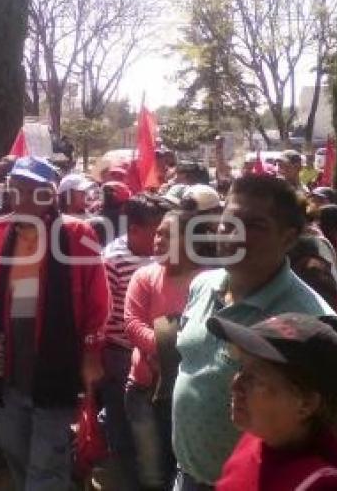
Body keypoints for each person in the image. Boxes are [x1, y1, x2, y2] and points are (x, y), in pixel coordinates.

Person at [172, 174, 333, 490]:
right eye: (229, 222)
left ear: (288, 238)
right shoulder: (203, 285)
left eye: (255, 226)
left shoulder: (311, 320)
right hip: (187, 476)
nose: (235, 235)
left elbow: (330, 424)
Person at [0, 156, 110, 491]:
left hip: (57, 367)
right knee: (13, 446)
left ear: (48, 195)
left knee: (46, 462)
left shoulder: (77, 233)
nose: (18, 197)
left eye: (28, 190)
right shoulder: (3, 234)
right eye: (15, 189)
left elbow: (98, 299)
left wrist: (92, 353)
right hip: (11, 365)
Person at [210, 313, 337, 490]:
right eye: (241, 367)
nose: (235, 384)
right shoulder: (258, 439)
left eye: (257, 380)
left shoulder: (323, 484)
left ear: (306, 404)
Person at [124, 210, 205, 490]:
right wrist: (174, 346)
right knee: (152, 472)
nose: (158, 239)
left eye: (167, 234)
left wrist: (175, 346)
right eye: (158, 232)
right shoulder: (144, 276)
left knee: (187, 468)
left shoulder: (208, 282)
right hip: (145, 387)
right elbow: (132, 324)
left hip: (192, 392)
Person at [100, 194, 168, 490]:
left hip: (157, 351)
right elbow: (101, 313)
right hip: (120, 353)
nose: (161, 238)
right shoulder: (111, 260)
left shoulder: (162, 256)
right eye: (157, 230)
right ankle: (129, 477)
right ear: (135, 229)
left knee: (153, 422)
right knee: (123, 420)